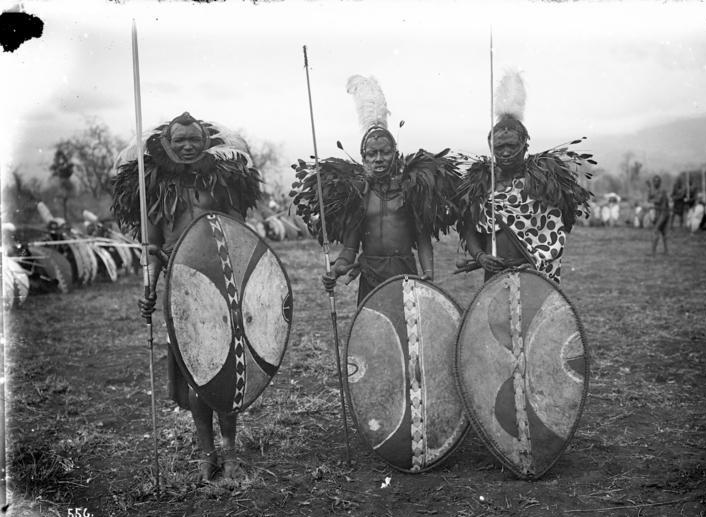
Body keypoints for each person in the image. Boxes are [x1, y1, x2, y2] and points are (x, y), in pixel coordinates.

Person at [111, 112, 261, 482]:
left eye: (194, 139)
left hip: (222, 285)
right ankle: (205, 453)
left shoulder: (223, 183)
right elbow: (152, 246)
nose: (188, 145)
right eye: (180, 140)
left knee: (226, 371)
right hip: (180, 288)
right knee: (197, 375)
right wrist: (149, 285)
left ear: (206, 141)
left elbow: (240, 237)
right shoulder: (152, 187)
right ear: (167, 143)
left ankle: (230, 452)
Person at [291, 75, 459, 303]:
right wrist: (337, 270)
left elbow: (422, 238)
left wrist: (428, 271)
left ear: (395, 153)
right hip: (370, 276)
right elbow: (350, 248)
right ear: (364, 158)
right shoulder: (358, 196)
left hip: (404, 272)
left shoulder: (409, 190)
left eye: (385, 152)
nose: (379, 159)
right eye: (372, 154)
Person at [454, 71, 593, 284]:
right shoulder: (481, 183)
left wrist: (535, 262)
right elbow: (467, 225)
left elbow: (555, 230)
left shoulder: (542, 181)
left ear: (525, 146)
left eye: (512, 146)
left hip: (534, 273)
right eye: (500, 147)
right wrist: (480, 256)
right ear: (491, 148)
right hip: (495, 274)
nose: (506, 152)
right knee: (497, 318)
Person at [649, 174, 670, 254]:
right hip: (660, 213)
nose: (655, 183)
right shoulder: (656, 191)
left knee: (655, 230)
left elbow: (657, 200)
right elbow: (649, 197)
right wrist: (649, 188)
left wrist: (649, 203)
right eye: (654, 181)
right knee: (663, 232)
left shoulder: (662, 191)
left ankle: (653, 252)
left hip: (664, 213)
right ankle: (666, 251)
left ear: (660, 182)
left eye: (657, 181)